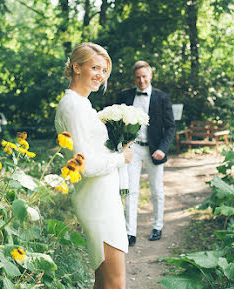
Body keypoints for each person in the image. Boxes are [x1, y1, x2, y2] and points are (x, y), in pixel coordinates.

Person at [55, 42, 134, 289]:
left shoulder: (83, 104)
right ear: (76, 68)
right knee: (115, 283)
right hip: (96, 201)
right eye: (95, 67)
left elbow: (92, 150)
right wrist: (121, 158)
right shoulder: (73, 106)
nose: (100, 75)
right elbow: (84, 165)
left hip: (103, 195)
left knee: (104, 281)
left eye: (104, 70)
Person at [116, 60, 175, 247]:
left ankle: (157, 227)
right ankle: (129, 232)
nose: (141, 81)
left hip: (154, 149)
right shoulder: (125, 96)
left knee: (156, 190)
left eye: (144, 77)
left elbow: (171, 127)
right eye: (138, 77)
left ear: (150, 76)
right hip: (133, 149)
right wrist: (122, 145)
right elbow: (117, 122)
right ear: (134, 78)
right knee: (130, 191)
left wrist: (162, 149)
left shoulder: (162, 97)